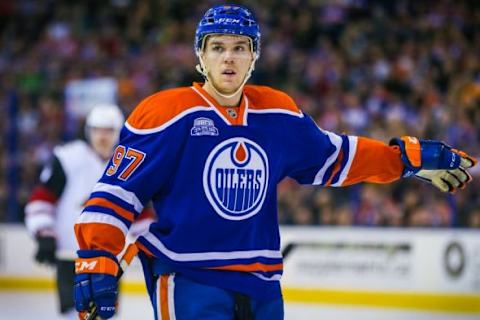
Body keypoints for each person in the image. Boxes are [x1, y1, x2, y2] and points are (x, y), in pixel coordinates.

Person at [73, 5, 477, 320]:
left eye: (239, 48)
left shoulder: (278, 113)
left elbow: (338, 157)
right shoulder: (165, 114)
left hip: (263, 284)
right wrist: (98, 256)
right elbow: (116, 193)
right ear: (201, 56)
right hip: (190, 279)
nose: (228, 59)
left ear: (254, 57)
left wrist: (404, 158)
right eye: (217, 47)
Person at [25, 104, 154, 319]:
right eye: (97, 130)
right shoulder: (68, 158)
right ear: (88, 131)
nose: (102, 137)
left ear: (119, 132)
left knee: (105, 314)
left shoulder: (129, 163)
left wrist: (150, 245)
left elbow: (140, 212)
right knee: (71, 314)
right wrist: (44, 233)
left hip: (109, 257)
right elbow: (42, 199)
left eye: (108, 130)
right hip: (70, 255)